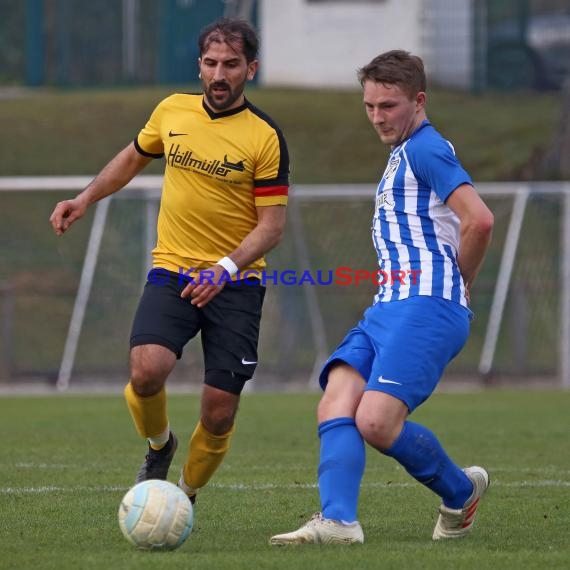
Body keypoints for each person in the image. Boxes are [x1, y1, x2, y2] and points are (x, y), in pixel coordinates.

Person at [49, 19, 289, 504]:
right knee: (145, 371)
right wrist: (85, 198)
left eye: (232, 65)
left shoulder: (265, 137)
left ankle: (183, 495)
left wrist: (224, 268)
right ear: (199, 65)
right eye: (211, 63)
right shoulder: (172, 111)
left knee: (219, 412)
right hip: (174, 270)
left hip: (236, 283)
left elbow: (271, 227)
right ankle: (160, 445)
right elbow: (134, 157)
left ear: (251, 69)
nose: (220, 74)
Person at [270, 50, 493, 545]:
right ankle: (339, 522)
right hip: (387, 307)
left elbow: (479, 219)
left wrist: (460, 282)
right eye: (369, 106)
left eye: (388, 106)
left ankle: (460, 492)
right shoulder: (402, 152)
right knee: (335, 402)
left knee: (374, 420)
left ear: (418, 101)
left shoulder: (426, 149)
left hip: (426, 303)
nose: (377, 117)